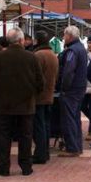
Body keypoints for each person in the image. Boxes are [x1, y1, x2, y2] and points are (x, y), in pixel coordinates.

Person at [0, 27, 43, 176]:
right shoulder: (31, 57)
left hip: (3, 105)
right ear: (21, 40)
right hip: (26, 105)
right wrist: (31, 93)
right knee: (25, 136)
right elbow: (40, 82)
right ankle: (26, 166)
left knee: (4, 137)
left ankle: (4, 167)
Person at [58, 26, 88, 156]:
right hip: (79, 88)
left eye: (64, 36)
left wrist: (64, 87)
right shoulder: (81, 48)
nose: (63, 38)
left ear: (69, 36)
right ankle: (77, 146)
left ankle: (72, 148)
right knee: (75, 117)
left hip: (71, 90)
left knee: (69, 118)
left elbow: (68, 71)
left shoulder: (72, 51)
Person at [33, 31, 59, 164]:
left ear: (37, 40)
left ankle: (40, 154)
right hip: (50, 94)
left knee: (38, 126)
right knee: (46, 125)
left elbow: (35, 77)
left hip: (39, 96)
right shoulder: (53, 55)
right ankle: (45, 152)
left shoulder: (38, 55)